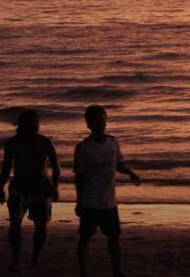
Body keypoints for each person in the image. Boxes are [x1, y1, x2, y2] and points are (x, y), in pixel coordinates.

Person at [75, 104, 141, 277]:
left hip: (109, 201)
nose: (100, 125)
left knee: (113, 238)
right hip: (90, 201)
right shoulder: (84, 148)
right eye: (96, 122)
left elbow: (118, 164)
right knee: (85, 238)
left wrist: (131, 173)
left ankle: (117, 271)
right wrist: (79, 202)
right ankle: (83, 272)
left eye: (103, 121)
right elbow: (79, 177)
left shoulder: (113, 142)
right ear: (88, 124)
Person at [0, 109, 61, 271]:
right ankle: (16, 258)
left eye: (36, 123)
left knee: (41, 226)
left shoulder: (45, 141)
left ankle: (35, 258)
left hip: (41, 189)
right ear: (21, 125)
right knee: (15, 225)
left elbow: (55, 166)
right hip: (19, 189)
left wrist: (55, 186)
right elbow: (6, 166)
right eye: (31, 123)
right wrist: (0, 188)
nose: (35, 126)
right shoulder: (13, 142)